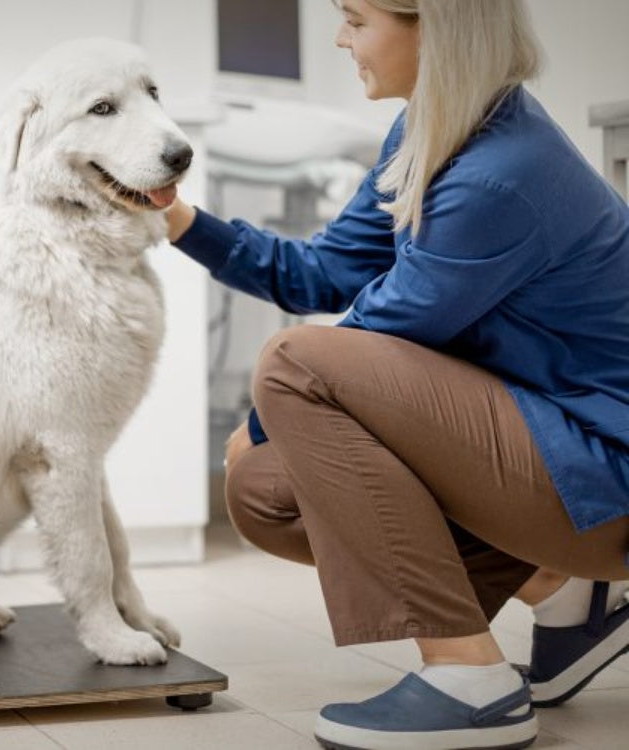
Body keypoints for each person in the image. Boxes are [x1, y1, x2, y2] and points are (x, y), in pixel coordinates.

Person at [166, 1, 629, 748]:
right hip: (541, 448)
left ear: (434, 30)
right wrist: (179, 219)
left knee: (290, 365)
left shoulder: (501, 176)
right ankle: (566, 588)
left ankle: (469, 679)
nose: (341, 36)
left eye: (357, 17)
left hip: (604, 475)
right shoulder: (429, 130)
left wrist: (258, 420)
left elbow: (377, 332)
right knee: (263, 493)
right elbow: (323, 273)